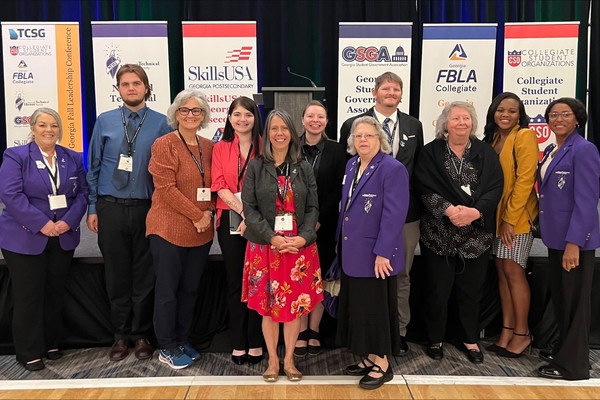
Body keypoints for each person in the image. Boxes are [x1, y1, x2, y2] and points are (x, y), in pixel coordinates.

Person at [86, 64, 171, 361]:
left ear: (146, 88)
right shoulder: (105, 121)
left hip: (148, 209)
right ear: (118, 89)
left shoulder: (162, 123)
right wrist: (92, 206)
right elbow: (94, 166)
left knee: (145, 276)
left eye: (136, 83)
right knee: (117, 274)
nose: (131, 88)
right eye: (125, 84)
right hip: (110, 207)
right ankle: (121, 335)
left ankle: (142, 335)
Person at [339, 71, 423, 355]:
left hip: (401, 217)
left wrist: (384, 248)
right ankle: (369, 350)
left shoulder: (412, 127)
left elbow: (417, 169)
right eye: (386, 88)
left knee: (397, 277)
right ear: (374, 92)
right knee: (365, 292)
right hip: (361, 229)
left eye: (396, 89)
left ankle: (396, 335)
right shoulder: (353, 146)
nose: (363, 139)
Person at [0, 108, 88, 371]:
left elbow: (83, 193)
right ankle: (28, 351)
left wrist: (67, 222)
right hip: (24, 237)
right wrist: (42, 224)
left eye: (53, 125)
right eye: (42, 125)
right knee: (29, 295)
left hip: (62, 235)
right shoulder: (16, 156)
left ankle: (51, 342)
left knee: (54, 293)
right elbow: (11, 195)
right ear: (32, 128)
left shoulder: (72, 157)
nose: (49, 130)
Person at [415, 101, 503, 364]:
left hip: (475, 236)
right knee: (437, 290)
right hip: (438, 233)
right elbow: (422, 186)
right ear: (445, 123)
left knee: (471, 291)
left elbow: (495, 187)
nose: (461, 123)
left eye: (466, 118)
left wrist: (474, 212)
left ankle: (469, 338)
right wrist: (449, 210)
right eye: (456, 118)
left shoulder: (486, 153)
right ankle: (435, 338)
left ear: (473, 123)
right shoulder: (430, 152)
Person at [241, 109, 323, 382]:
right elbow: (249, 208)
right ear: (267, 134)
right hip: (266, 247)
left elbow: (312, 208)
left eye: (284, 128)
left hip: (298, 249)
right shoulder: (256, 166)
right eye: (274, 128)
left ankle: (289, 360)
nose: (279, 133)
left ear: (292, 133)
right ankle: (273, 362)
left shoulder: (303, 166)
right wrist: (272, 237)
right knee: (268, 308)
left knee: (294, 308)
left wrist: (304, 237)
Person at [337, 116, 408, 390]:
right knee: (360, 308)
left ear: (380, 138)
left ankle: (382, 363)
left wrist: (383, 253)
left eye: (369, 135)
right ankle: (368, 356)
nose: (363, 140)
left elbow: (394, 215)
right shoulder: (352, 164)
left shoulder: (392, 168)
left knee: (376, 309)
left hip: (376, 255)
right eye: (358, 136)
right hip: (351, 251)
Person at [145, 89, 215, 369]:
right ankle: (167, 345)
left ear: (204, 115)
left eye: (196, 110)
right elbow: (165, 188)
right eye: (184, 110)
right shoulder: (164, 144)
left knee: (189, 290)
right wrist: (197, 214)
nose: (190, 115)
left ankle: (182, 339)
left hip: (200, 231)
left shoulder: (209, 146)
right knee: (167, 292)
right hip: (168, 229)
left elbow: (216, 184)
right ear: (175, 113)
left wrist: (208, 211)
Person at [536, 97, 600, 381]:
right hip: (556, 239)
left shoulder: (584, 150)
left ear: (577, 119)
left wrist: (575, 243)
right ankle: (564, 354)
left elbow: (587, 201)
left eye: (565, 114)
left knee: (574, 305)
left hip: (574, 243)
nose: (558, 119)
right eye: (553, 114)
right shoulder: (553, 149)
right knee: (563, 301)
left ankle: (574, 367)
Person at [482, 92, 538, 358]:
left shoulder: (524, 136)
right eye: (501, 110)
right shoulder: (493, 138)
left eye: (512, 111)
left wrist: (509, 220)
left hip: (516, 220)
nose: (505, 115)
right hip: (495, 218)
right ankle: (506, 330)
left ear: (520, 115)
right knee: (503, 272)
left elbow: (525, 181)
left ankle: (522, 333)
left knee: (514, 272)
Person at [211, 96, 264, 365]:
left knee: (257, 281)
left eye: (248, 114)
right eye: (237, 114)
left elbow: (269, 186)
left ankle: (255, 341)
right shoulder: (220, 148)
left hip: (260, 223)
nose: (242, 119)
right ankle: (238, 342)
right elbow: (219, 185)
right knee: (235, 281)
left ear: (255, 118)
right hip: (230, 219)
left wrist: (253, 218)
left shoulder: (265, 145)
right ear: (230, 118)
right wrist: (245, 212)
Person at [294, 100, 346, 357]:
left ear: (326, 122)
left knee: (321, 278)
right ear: (302, 119)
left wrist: (318, 219)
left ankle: (314, 330)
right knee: (298, 278)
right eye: (310, 116)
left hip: (324, 225)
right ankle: (300, 330)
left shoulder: (338, 151)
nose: (315, 120)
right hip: (293, 227)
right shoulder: (291, 147)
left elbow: (338, 189)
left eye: (321, 117)